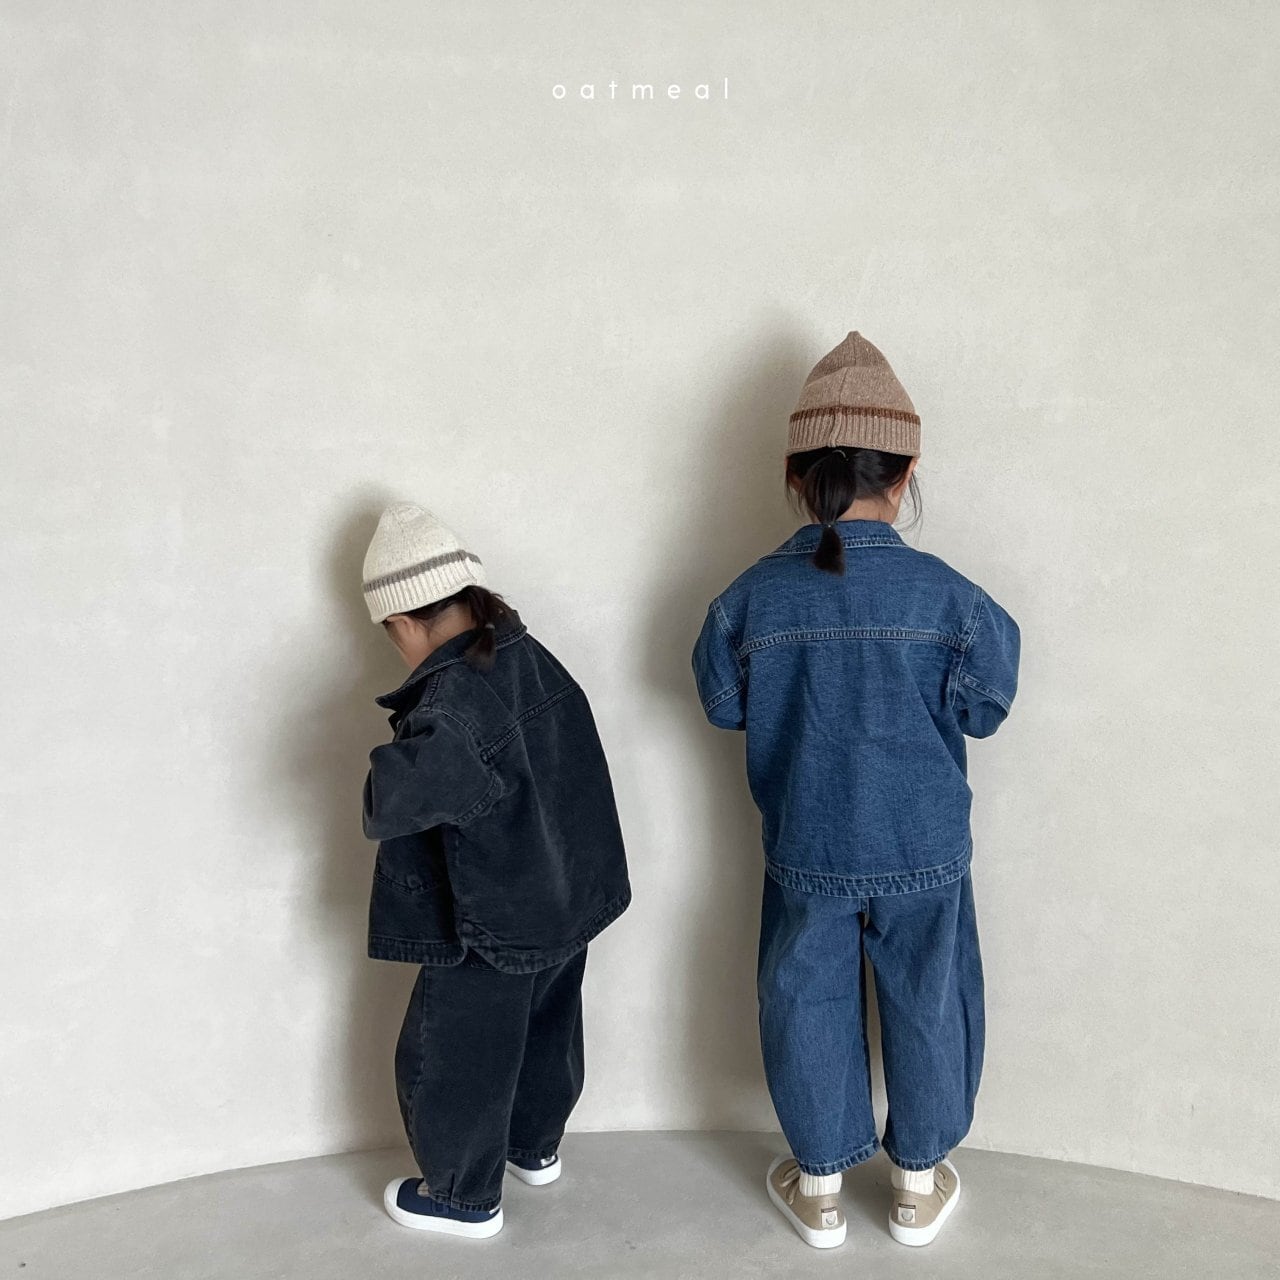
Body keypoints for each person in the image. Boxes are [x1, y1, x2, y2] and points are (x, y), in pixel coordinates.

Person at [692, 333, 1019, 1250]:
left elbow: (722, 705)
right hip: (924, 845)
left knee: (806, 998)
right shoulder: (951, 600)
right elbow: (989, 707)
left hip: (810, 843)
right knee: (931, 998)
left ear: (795, 477)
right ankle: (916, 1185)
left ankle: (822, 1187)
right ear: (907, 474)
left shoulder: (749, 601)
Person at [360, 503, 631, 1239]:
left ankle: (461, 1197)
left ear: (403, 623)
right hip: (566, 890)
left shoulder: (452, 705)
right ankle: (532, 1147)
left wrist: (381, 766)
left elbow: (396, 801)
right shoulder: (526, 653)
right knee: (547, 1027)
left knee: (455, 1052)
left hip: (495, 915)